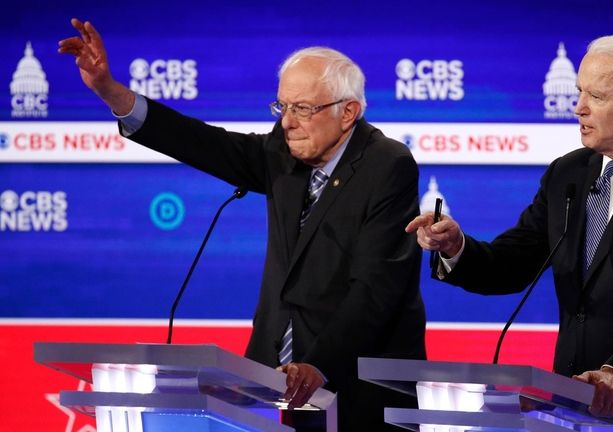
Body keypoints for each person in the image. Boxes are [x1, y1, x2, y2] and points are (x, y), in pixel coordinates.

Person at [59, 18, 426, 432]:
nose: (287, 122)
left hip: (358, 388)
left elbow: (376, 289)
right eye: (282, 106)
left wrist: (319, 365)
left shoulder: (386, 165)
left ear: (348, 113)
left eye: (302, 108)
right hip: (271, 384)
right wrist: (113, 92)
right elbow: (207, 144)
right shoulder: (286, 151)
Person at [407, 35, 613, 431]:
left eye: (596, 95)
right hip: (572, 408)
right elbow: (513, 263)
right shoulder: (568, 174)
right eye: (579, 92)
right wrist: (457, 247)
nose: (579, 108)